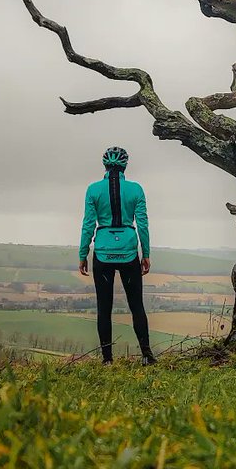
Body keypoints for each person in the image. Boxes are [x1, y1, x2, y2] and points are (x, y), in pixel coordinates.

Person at [78, 145, 155, 365]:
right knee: (136, 306)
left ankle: (107, 360)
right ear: (125, 165)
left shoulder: (93, 190)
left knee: (104, 308)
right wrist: (146, 253)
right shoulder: (136, 189)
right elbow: (142, 224)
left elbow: (87, 225)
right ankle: (147, 355)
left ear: (104, 165)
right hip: (129, 252)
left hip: (102, 253)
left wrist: (83, 253)